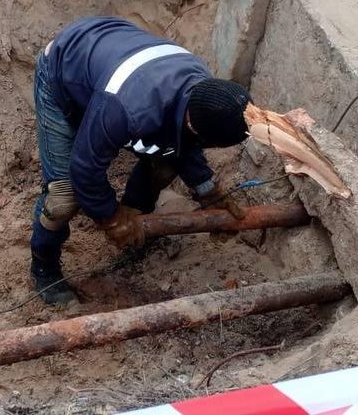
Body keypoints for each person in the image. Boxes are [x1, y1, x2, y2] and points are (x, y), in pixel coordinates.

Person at [29, 16, 251, 304]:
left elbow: (184, 142)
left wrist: (207, 189)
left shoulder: (206, 93)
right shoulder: (126, 108)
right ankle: (44, 266)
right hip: (62, 70)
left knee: (165, 163)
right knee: (63, 198)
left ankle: (137, 220)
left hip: (111, 62)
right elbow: (85, 169)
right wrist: (110, 216)